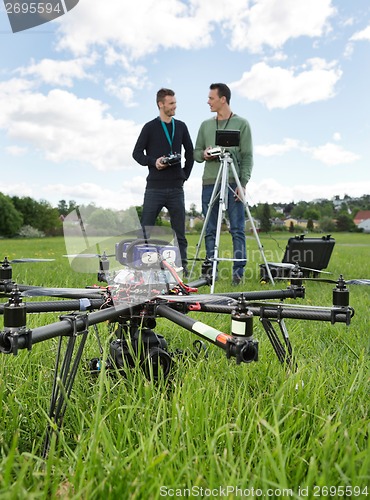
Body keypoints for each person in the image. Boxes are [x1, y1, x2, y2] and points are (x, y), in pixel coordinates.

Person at [194, 83, 253, 285]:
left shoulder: (242, 124)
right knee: (210, 229)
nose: (208, 101)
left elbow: (247, 156)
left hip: (232, 180)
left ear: (223, 99)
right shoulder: (205, 125)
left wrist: (242, 183)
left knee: (237, 228)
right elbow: (195, 153)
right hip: (210, 182)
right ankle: (211, 271)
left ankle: (238, 273)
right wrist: (204, 154)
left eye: (211, 98)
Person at [132, 88, 194, 275]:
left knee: (179, 234)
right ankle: (141, 269)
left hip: (176, 188)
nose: (175, 106)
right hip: (154, 188)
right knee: (145, 232)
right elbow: (136, 154)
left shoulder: (181, 126)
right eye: (171, 103)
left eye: (175, 102)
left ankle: (181, 270)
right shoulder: (149, 127)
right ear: (161, 104)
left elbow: (190, 154)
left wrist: (184, 176)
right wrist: (154, 162)